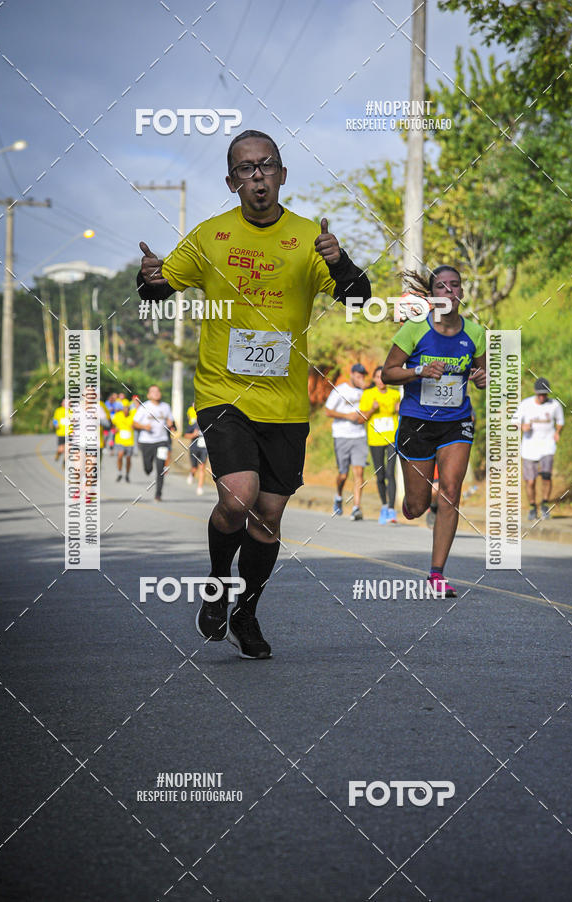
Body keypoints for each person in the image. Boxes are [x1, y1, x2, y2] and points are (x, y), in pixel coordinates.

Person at [136, 129, 371, 658]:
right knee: (237, 497)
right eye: (246, 168)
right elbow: (156, 290)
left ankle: (247, 612)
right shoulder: (211, 237)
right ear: (231, 181)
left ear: (283, 174)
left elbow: (359, 298)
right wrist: (146, 276)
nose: (258, 175)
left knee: (268, 519)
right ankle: (218, 587)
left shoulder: (311, 238)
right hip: (224, 392)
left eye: (267, 165)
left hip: (285, 404)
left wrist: (339, 262)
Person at [382, 266, 486, 597]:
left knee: (451, 491)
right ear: (432, 296)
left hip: (456, 422)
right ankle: (415, 505)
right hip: (417, 422)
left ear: (462, 294)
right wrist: (418, 370)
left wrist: (484, 379)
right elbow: (387, 373)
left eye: (455, 285)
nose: (449, 291)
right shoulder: (414, 330)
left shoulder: (475, 332)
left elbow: (483, 374)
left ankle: (437, 574)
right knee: (418, 505)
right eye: (442, 287)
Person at [325, 364, 369, 521]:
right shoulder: (340, 390)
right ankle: (338, 495)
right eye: (358, 375)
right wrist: (347, 416)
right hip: (342, 435)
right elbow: (328, 411)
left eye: (363, 376)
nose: (361, 378)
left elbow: (369, 409)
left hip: (360, 435)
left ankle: (356, 507)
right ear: (351, 374)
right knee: (343, 475)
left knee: (359, 473)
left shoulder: (365, 391)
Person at [517, 377, 564, 520]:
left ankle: (544, 504)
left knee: (546, 476)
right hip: (529, 447)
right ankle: (532, 506)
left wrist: (557, 432)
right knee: (530, 481)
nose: (543, 397)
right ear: (535, 393)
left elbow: (560, 422)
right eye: (540, 394)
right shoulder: (526, 404)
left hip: (547, 446)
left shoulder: (555, 405)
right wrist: (522, 426)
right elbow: (515, 421)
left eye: (545, 394)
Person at [358, 366, 401, 524]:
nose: (381, 380)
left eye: (383, 377)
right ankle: (384, 506)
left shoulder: (395, 394)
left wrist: (399, 409)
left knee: (391, 472)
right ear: (374, 379)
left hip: (392, 438)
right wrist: (372, 409)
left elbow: (402, 413)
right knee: (380, 474)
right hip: (375, 438)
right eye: (377, 377)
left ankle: (391, 509)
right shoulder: (368, 394)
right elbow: (361, 418)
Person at [133, 385, 175, 501]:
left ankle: (158, 494)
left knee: (160, 467)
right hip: (146, 442)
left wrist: (171, 424)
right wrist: (144, 426)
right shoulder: (144, 407)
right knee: (148, 468)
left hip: (161, 441)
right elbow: (134, 423)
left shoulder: (166, 406)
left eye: (158, 391)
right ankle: (148, 467)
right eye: (153, 391)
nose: (156, 393)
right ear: (148, 395)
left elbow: (171, 421)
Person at [185, 402, 207, 495]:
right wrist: (193, 435)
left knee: (202, 467)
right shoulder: (194, 424)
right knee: (194, 468)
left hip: (204, 449)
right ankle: (191, 474)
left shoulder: (208, 424)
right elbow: (186, 435)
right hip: (194, 448)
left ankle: (200, 487)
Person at [112, 400, 137, 482]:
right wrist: (115, 429)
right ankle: (119, 473)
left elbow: (137, 423)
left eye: (127, 410)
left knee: (128, 458)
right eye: (124, 410)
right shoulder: (118, 415)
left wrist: (134, 426)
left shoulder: (133, 415)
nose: (126, 412)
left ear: (129, 410)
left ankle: (127, 474)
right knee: (120, 456)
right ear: (122, 410)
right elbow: (112, 424)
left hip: (130, 441)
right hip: (120, 440)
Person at [52, 398, 68, 464]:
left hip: (70, 433)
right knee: (61, 449)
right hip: (61, 433)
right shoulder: (58, 410)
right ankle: (58, 454)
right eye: (65, 402)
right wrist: (56, 424)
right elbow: (55, 419)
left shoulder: (72, 410)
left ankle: (65, 463)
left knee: (68, 449)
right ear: (62, 403)